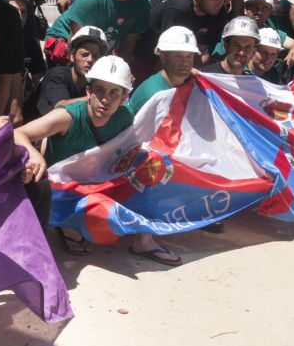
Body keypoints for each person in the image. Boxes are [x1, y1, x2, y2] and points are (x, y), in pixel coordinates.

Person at [17, 56, 180, 265]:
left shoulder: (124, 118)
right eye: (100, 90)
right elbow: (18, 133)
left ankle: (144, 240)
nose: (105, 99)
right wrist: (33, 153)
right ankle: (68, 223)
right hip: (62, 187)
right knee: (100, 211)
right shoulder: (67, 117)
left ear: (123, 97)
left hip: (95, 181)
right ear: (88, 92)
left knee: (153, 165)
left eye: (114, 93)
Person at [138, 0, 233, 67]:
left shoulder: (220, 12)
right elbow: (166, 54)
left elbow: (200, 49)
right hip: (143, 43)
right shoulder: (179, 8)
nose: (220, 3)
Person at [30, 25, 107, 117]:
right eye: (85, 54)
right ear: (72, 56)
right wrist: (94, 98)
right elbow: (60, 106)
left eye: (95, 56)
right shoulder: (57, 75)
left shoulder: (94, 83)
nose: (90, 60)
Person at [129, 26, 200, 113]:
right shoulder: (153, 96)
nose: (185, 62)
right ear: (163, 57)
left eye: (189, 56)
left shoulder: (191, 82)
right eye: (178, 56)